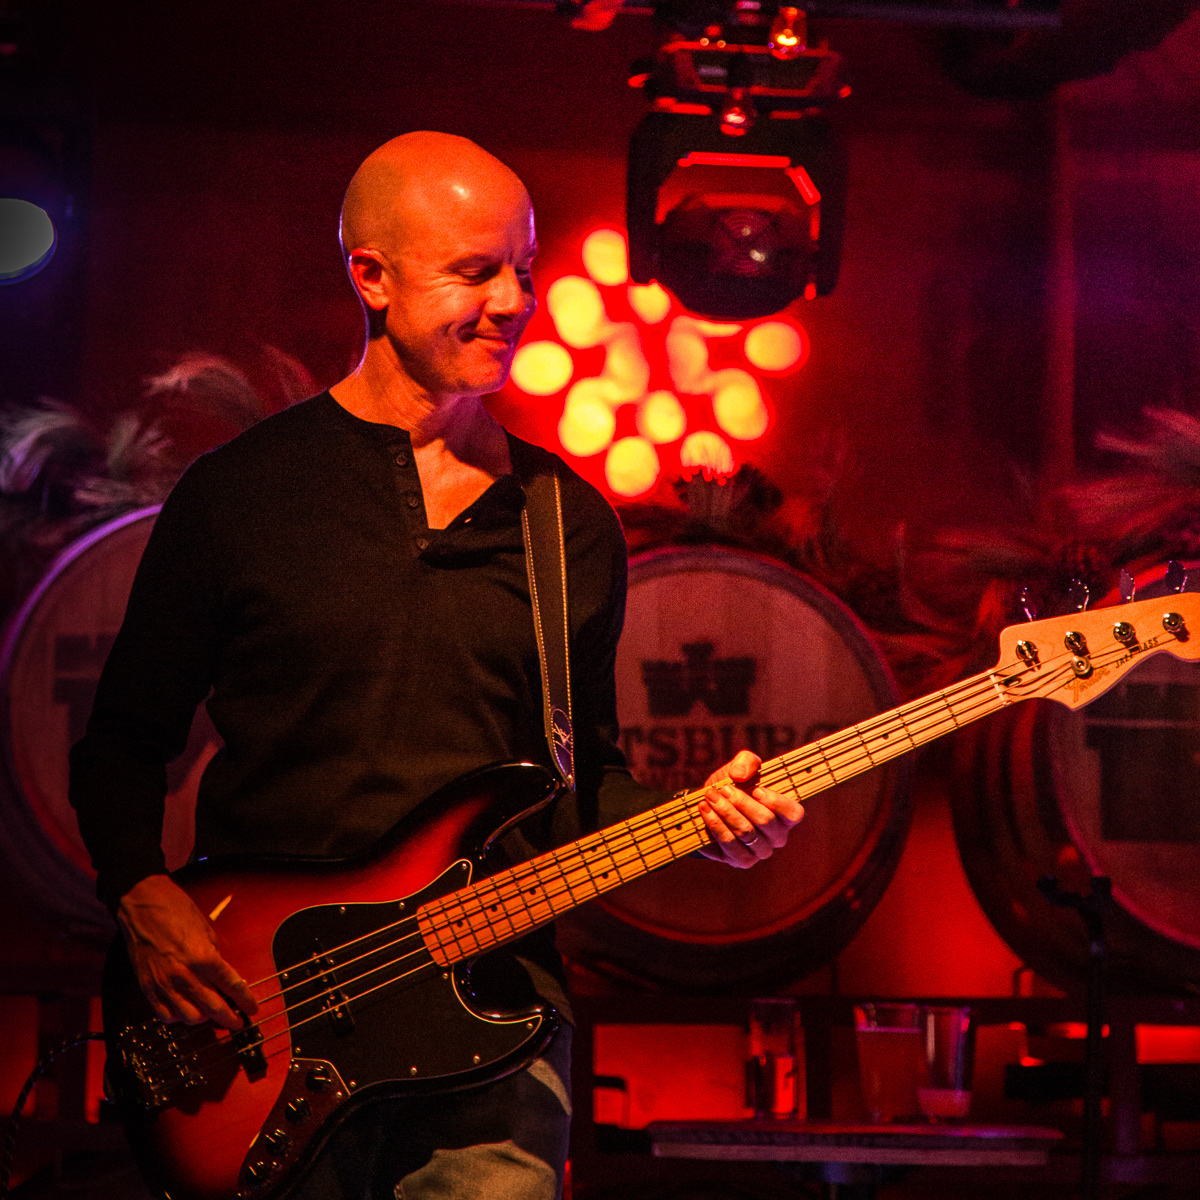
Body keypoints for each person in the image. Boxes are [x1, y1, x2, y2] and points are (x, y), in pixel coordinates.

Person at [69, 132, 804, 1200]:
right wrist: (142, 893)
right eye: (475, 271)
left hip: (495, 1028)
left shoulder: (567, 524)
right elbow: (123, 744)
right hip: (265, 1027)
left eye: (525, 271)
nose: (513, 302)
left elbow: (581, 780)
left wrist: (703, 819)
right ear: (370, 276)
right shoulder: (240, 498)